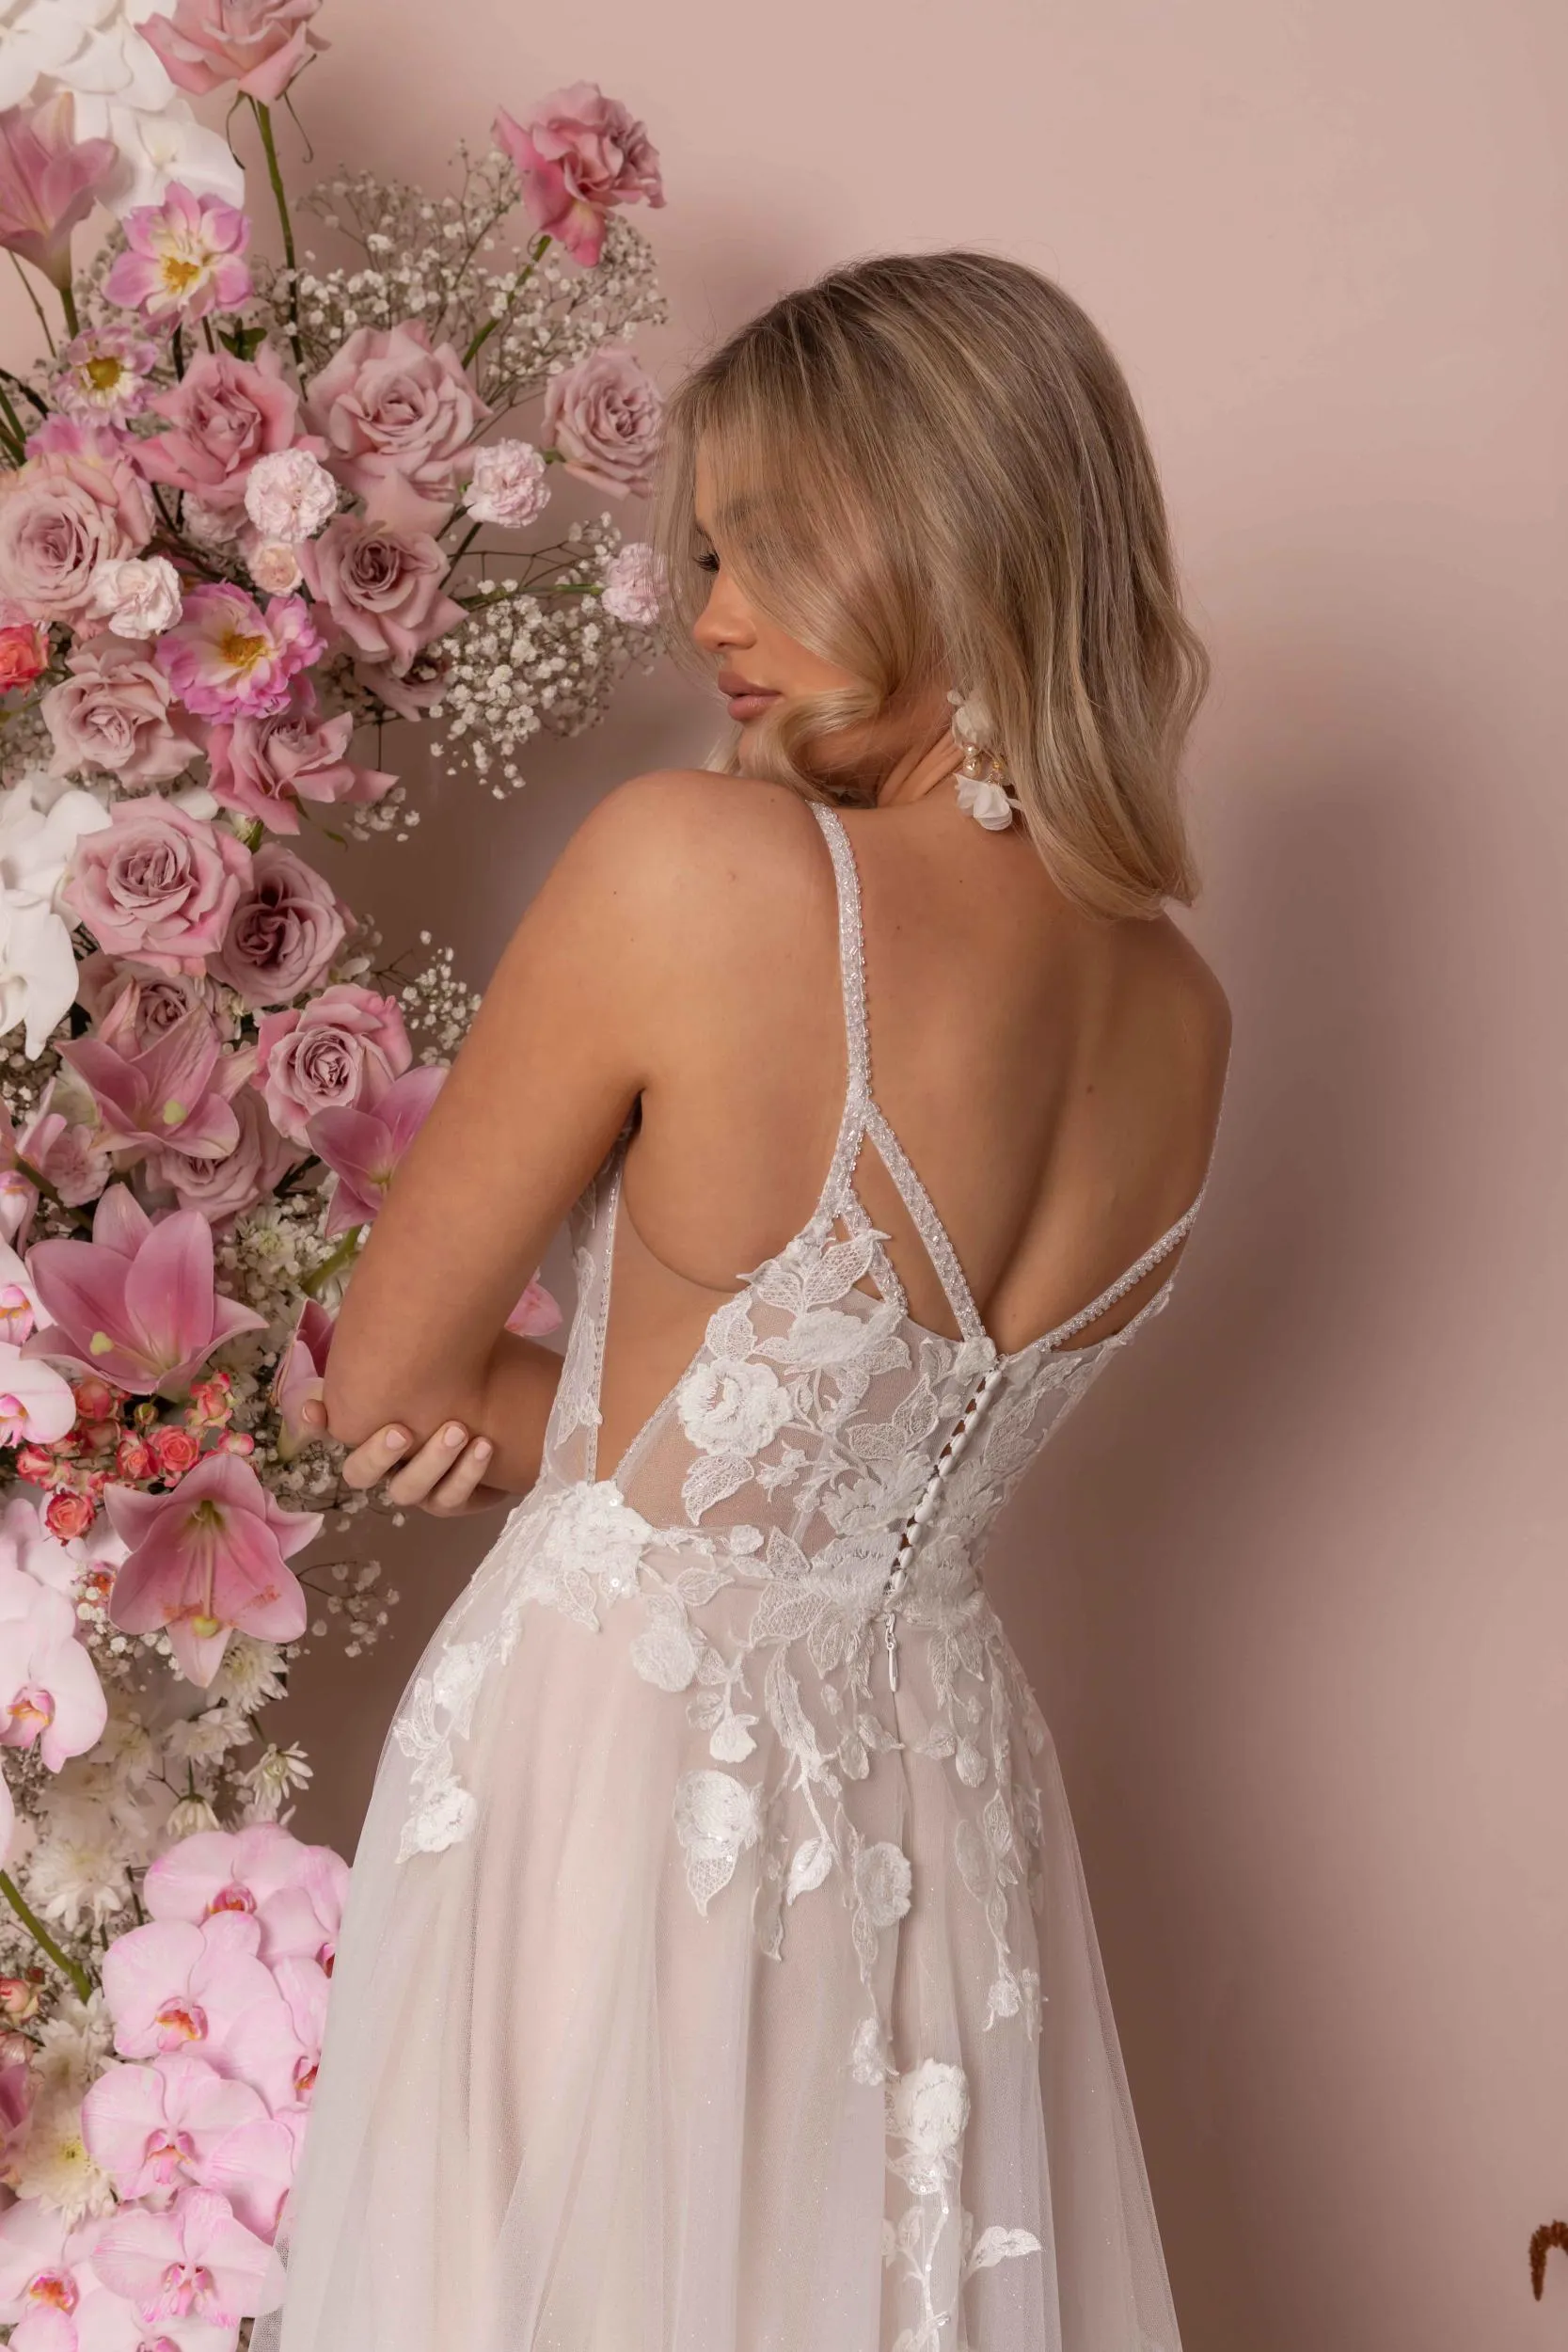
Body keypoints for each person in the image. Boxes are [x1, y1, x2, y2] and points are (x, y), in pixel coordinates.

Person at [259, 248, 1229, 2352]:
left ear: (966, 533)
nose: (710, 611)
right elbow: (847, 1466)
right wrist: (657, 1439)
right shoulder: (1181, 1012)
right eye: (706, 549)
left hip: (628, 1746)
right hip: (936, 1777)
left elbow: (385, 1382)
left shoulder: (692, 866)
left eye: (776, 543)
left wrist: (586, 1447)